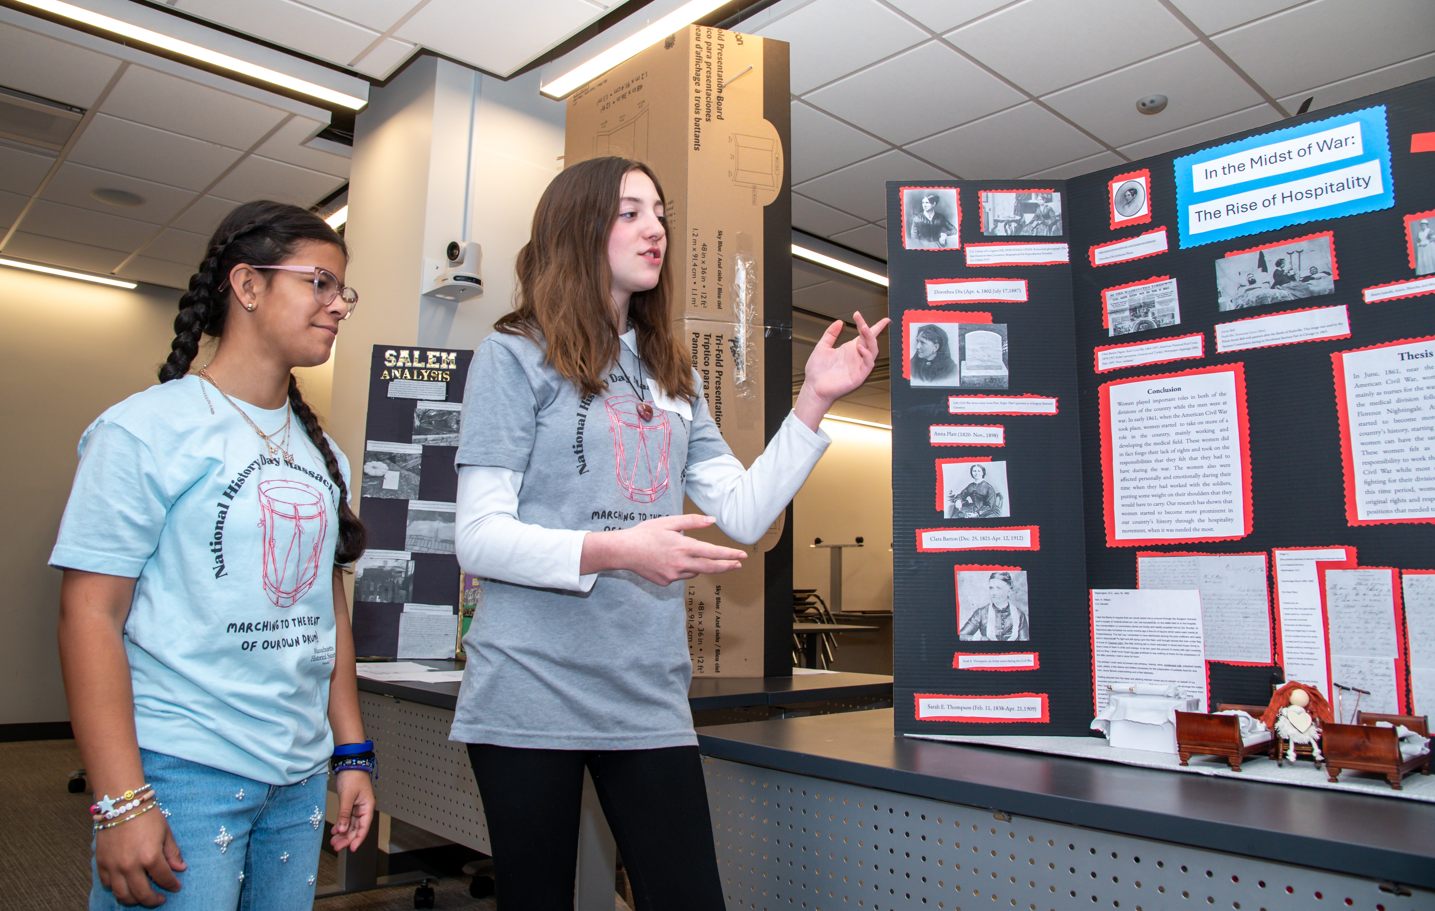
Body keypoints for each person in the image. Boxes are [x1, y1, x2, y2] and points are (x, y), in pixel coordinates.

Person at [450, 156, 888, 910]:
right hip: (529, 687)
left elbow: (743, 511)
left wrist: (812, 401)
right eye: (629, 212)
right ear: (577, 227)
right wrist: (619, 549)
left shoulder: (669, 370)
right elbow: (480, 537)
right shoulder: (514, 355)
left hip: (646, 688)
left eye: (659, 213)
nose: (655, 228)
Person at [50, 201, 375, 909]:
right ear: (248, 285)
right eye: (318, 282)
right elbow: (89, 615)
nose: (337, 305)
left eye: (342, 290)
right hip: (182, 767)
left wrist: (350, 752)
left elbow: (328, 612)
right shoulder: (144, 430)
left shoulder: (325, 454)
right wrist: (120, 801)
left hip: (297, 773)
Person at [958, 571, 1029, 641]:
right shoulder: (981, 613)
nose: (994, 593)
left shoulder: (1019, 615)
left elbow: (1025, 642)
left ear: (1009, 591)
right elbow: (961, 636)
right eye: (991, 588)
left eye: (998, 588)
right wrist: (979, 638)